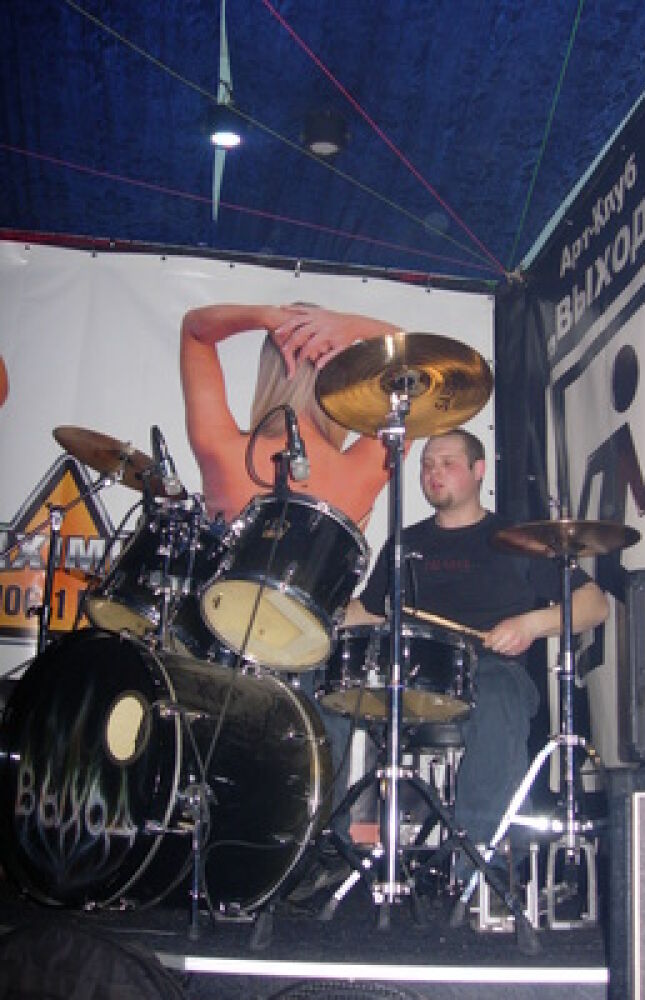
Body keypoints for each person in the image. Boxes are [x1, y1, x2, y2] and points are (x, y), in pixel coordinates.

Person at [344, 427, 609, 877]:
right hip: (412, 680)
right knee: (324, 689)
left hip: (491, 674)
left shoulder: (517, 540)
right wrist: (315, 613)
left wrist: (529, 624)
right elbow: (368, 611)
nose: (433, 472)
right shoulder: (406, 543)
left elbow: (594, 604)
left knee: (497, 694)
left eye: (447, 462)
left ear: (478, 469)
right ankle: (321, 852)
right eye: (427, 464)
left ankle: (479, 870)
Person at [180, 303, 401, 526]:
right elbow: (414, 366)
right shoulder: (360, 473)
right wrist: (352, 326)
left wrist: (265, 316)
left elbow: (195, 330)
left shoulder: (222, 450)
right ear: (342, 381)